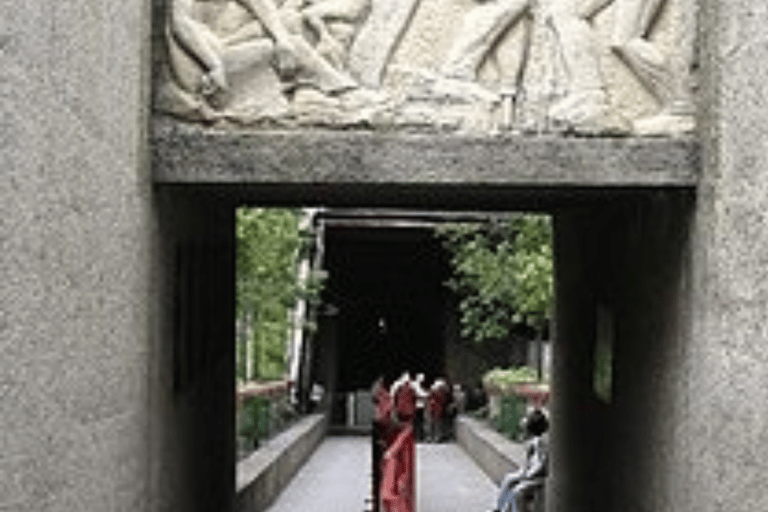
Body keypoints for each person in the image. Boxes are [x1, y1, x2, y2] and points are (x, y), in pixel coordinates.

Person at [493, 409, 549, 512]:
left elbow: (540, 465)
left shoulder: (540, 442)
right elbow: (529, 463)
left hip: (539, 477)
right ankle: (498, 509)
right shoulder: (534, 441)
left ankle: (503, 509)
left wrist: (527, 475)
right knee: (508, 479)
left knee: (516, 491)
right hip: (530, 474)